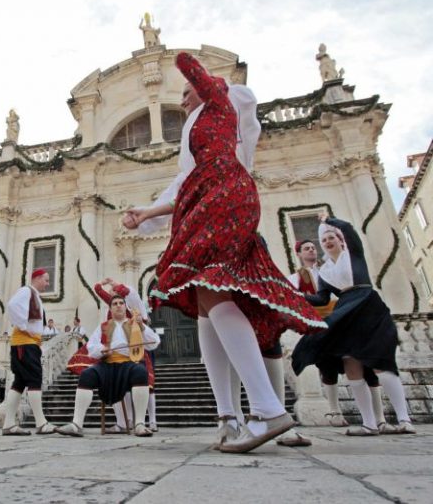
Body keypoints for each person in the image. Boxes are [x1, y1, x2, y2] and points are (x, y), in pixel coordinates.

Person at [123, 52, 325, 453]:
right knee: (202, 300)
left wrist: (187, 66)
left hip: (222, 199)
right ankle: (228, 417)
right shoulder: (193, 133)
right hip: (202, 202)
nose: (180, 100)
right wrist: (148, 213)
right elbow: (185, 181)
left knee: (214, 291)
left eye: (186, 92)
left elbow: (234, 95)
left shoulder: (225, 106)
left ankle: (268, 411)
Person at [292, 215, 416, 435]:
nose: (328, 242)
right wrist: (296, 295)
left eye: (332, 238)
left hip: (367, 304)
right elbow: (321, 299)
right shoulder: (326, 272)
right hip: (346, 310)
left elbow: (349, 228)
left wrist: (329, 220)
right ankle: (368, 423)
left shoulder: (354, 255)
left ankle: (404, 419)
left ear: (341, 240)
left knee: (381, 362)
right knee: (351, 364)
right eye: (325, 240)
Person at [287, 239, 387, 431]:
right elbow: (300, 300)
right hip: (321, 324)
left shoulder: (331, 270)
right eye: (306, 248)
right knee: (327, 365)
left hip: (347, 319)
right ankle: (334, 411)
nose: (311, 250)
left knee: (366, 364)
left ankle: (379, 417)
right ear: (299, 254)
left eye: (313, 247)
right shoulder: (295, 278)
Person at [57, 294, 160, 437]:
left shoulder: (136, 325)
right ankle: (76, 424)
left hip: (128, 363)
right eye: (115, 303)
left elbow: (154, 343)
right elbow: (91, 347)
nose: (118, 305)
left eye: (121, 303)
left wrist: (142, 326)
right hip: (107, 363)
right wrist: (102, 349)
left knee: (140, 372)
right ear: (110, 309)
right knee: (86, 375)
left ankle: (140, 424)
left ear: (125, 307)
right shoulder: (103, 326)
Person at [1, 269, 57, 436]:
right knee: (34, 379)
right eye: (46, 280)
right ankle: (41, 423)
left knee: (19, 382)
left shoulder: (34, 295)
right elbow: (12, 306)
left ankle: (9, 424)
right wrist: (26, 329)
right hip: (25, 343)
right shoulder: (26, 291)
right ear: (38, 278)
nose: (47, 284)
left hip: (26, 344)